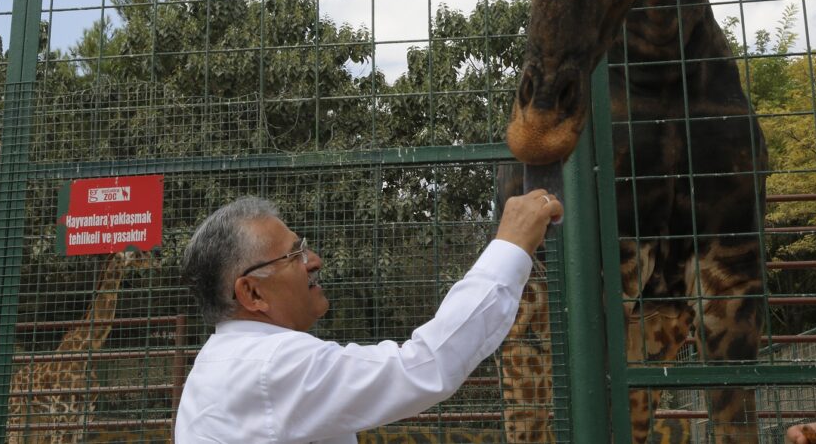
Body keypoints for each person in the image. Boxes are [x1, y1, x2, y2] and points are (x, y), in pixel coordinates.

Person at [174, 190, 561, 443]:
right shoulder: (272, 366)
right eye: (294, 255)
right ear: (252, 292)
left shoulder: (219, 362)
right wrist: (512, 244)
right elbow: (425, 366)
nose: (314, 261)